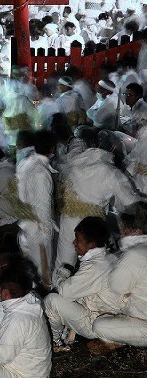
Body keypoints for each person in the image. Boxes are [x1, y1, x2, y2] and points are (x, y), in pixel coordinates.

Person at [55, 140, 141, 276]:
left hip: (68, 218)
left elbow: (74, 147)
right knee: (98, 261)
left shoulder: (76, 160)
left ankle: (59, 287)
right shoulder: (110, 171)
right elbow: (129, 202)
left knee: (64, 261)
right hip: (92, 226)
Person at [45, 217, 126, 351]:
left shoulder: (95, 267)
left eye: (78, 240)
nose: (74, 243)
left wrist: (61, 276)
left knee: (51, 300)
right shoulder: (109, 257)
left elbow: (65, 293)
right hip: (109, 316)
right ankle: (66, 331)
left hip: (97, 322)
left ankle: (56, 342)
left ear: (92, 244)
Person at [91, 203, 147, 348]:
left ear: (128, 229)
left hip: (143, 322)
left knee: (99, 325)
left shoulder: (133, 254)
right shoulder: (136, 251)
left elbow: (116, 287)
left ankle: (125, 339)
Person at [15, 130, 55, 287]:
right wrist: (45, 233)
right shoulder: (41, 173)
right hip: (37, 228)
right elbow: (43, 206)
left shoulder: (25, 163)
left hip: (25, 222)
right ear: (52, 149)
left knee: (29, 265)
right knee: (40, 271)